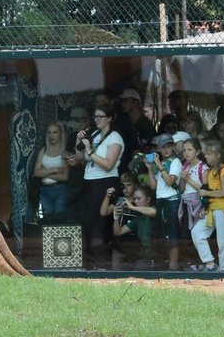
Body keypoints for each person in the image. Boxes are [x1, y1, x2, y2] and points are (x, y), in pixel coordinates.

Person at [73, 103, 124, 269]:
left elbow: (109, 164)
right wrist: (78, 140)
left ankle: (102, 263)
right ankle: (90, 261)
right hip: (89, 181)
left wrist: (90, 151)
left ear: (109, 118)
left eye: (101, 117)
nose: (97, 120)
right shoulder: (94, 133)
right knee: (87, 221)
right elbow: (80, 158)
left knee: (99, 223)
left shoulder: (115, 137)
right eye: (95, 117)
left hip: (105, 182)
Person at [189, 139, 224, 272]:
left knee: (223, 240)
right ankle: (210, 264)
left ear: (218, 155)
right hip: (211, 208)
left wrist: (205, 192)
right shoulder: (210, 171)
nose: (206, 156)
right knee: (197, 232)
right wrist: (205, 208)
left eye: (210, 154)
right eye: (206, 154)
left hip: (222, 208)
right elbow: (208, 193)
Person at [146, 133, 183, 270]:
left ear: (173, 146)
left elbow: (170, 181)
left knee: (172, 235)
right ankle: (168, 264)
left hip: (171, 201)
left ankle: (173, 267)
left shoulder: (175, 162)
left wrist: (159, 165)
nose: (166, 150)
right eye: (163, 147)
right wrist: (150, 168)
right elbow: (153, 186)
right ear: (158, 149)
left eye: (169, 146)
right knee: (163, 235)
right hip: (161, 200)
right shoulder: (161, 163)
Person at [112, 185, 158, 270]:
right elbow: (118, 232)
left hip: (159, 257)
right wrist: (116, 218)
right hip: (145, 258)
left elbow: (153, 212)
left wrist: (132, 207)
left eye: (139, 198)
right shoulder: (139, 219)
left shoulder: (155, 209)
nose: (136, 201)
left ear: (148, 199)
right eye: (134, 199)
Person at [178, 137, 208, 269]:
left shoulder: (203, 167)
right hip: (186, 204)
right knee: (186, 235)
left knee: (198, 234)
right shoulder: (185, 166)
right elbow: (181, 188)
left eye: (189, 150)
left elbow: (205, 189)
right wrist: (183, 179)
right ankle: (191, 262)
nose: (186, 153)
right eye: (184, 150)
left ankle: (202, 261)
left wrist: (189, 179)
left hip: (198, 205)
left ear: (197, 151)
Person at [33, 122, 70, 220]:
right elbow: (36, 172)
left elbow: (65, 177)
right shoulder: (43, 151)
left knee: (59, 219)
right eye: (49, 132)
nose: (52, 135)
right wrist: (54, 170)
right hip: (44, 190)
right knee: (46, 220)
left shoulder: (64, 153)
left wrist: (44, 172)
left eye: (55, 132)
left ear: (60, 134)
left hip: (60, 190)